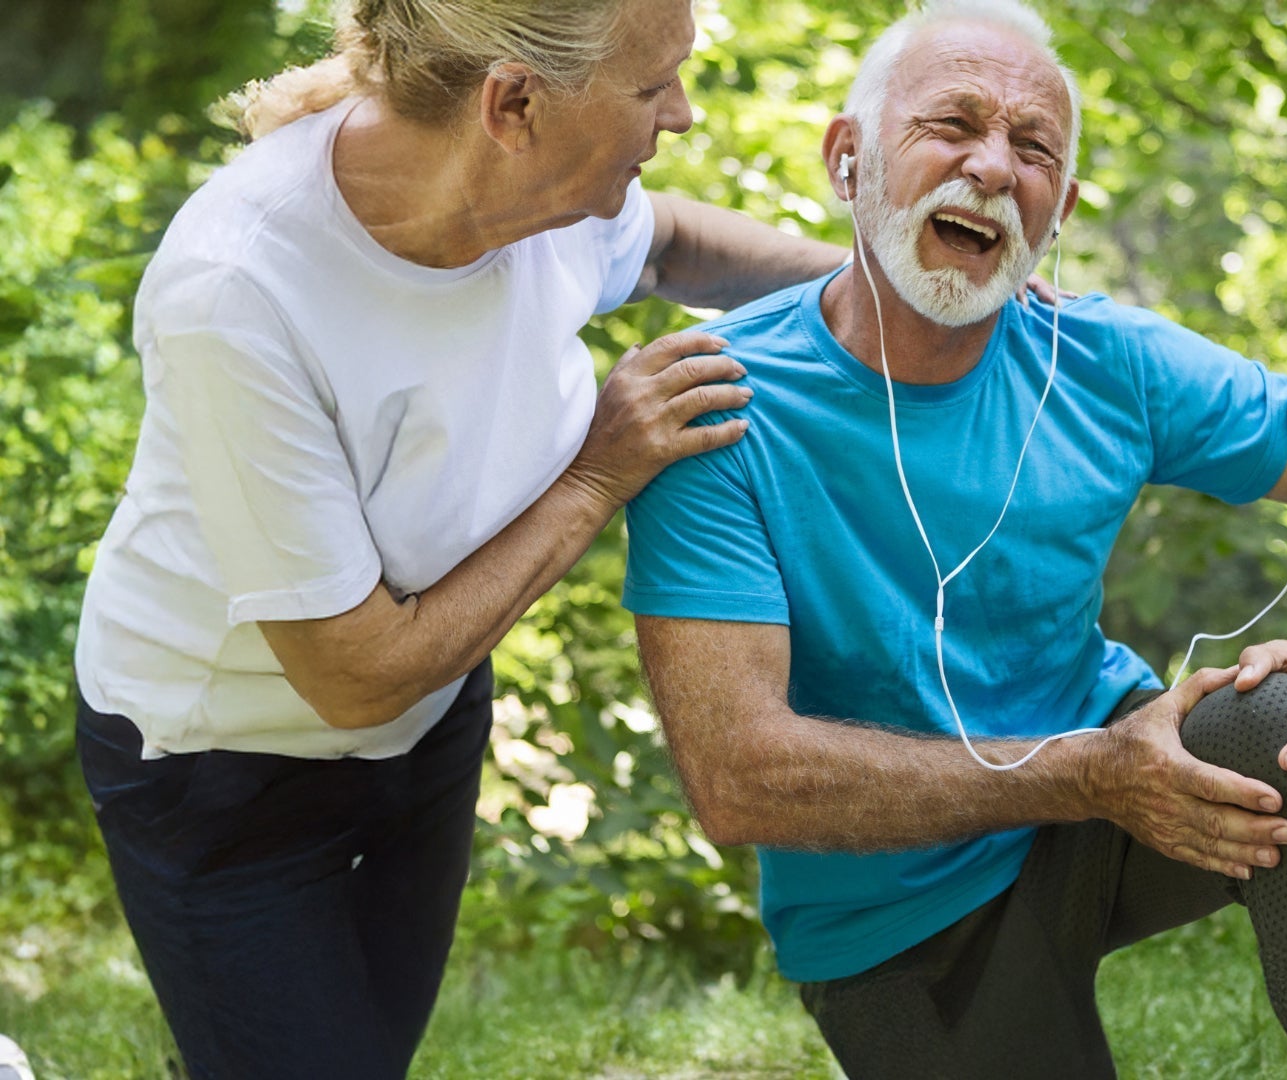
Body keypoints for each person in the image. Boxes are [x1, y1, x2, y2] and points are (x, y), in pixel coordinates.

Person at [623, 2, 1287, 1077]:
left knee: (1286, 721)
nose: (993, 167)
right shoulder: (714, 405)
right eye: (951, 124)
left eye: (1033, 149)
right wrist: (1085, 775)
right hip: (895, 906)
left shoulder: (1101, 357)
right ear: (848, 159)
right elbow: (737, 780)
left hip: (1117, 786)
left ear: (1058, 213)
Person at [69, 0, 859, 1076]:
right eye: (650, 86)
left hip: (431, 721)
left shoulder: (550, 193)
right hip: (224, 768)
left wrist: (881, 286)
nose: (680, 114)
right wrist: (599, 473)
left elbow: (671, 243)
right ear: (514, 103)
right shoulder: (237, 288)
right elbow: (353, 677)